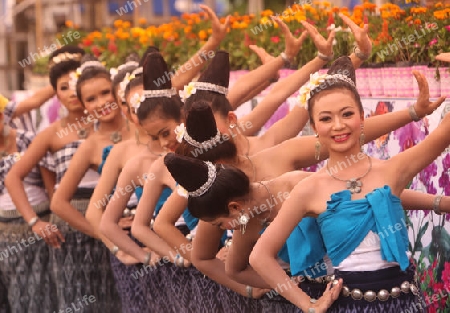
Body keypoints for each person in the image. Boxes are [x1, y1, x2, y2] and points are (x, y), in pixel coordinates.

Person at [249, 56, 449, 312]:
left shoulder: (393, 170)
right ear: (313, 126)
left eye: (347, 114)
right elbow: (259, 256)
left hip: (405, 303)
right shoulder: (309, 188)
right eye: (326, 119)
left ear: (362, 117)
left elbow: (445, 131)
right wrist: (307, 304)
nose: (339, 126)